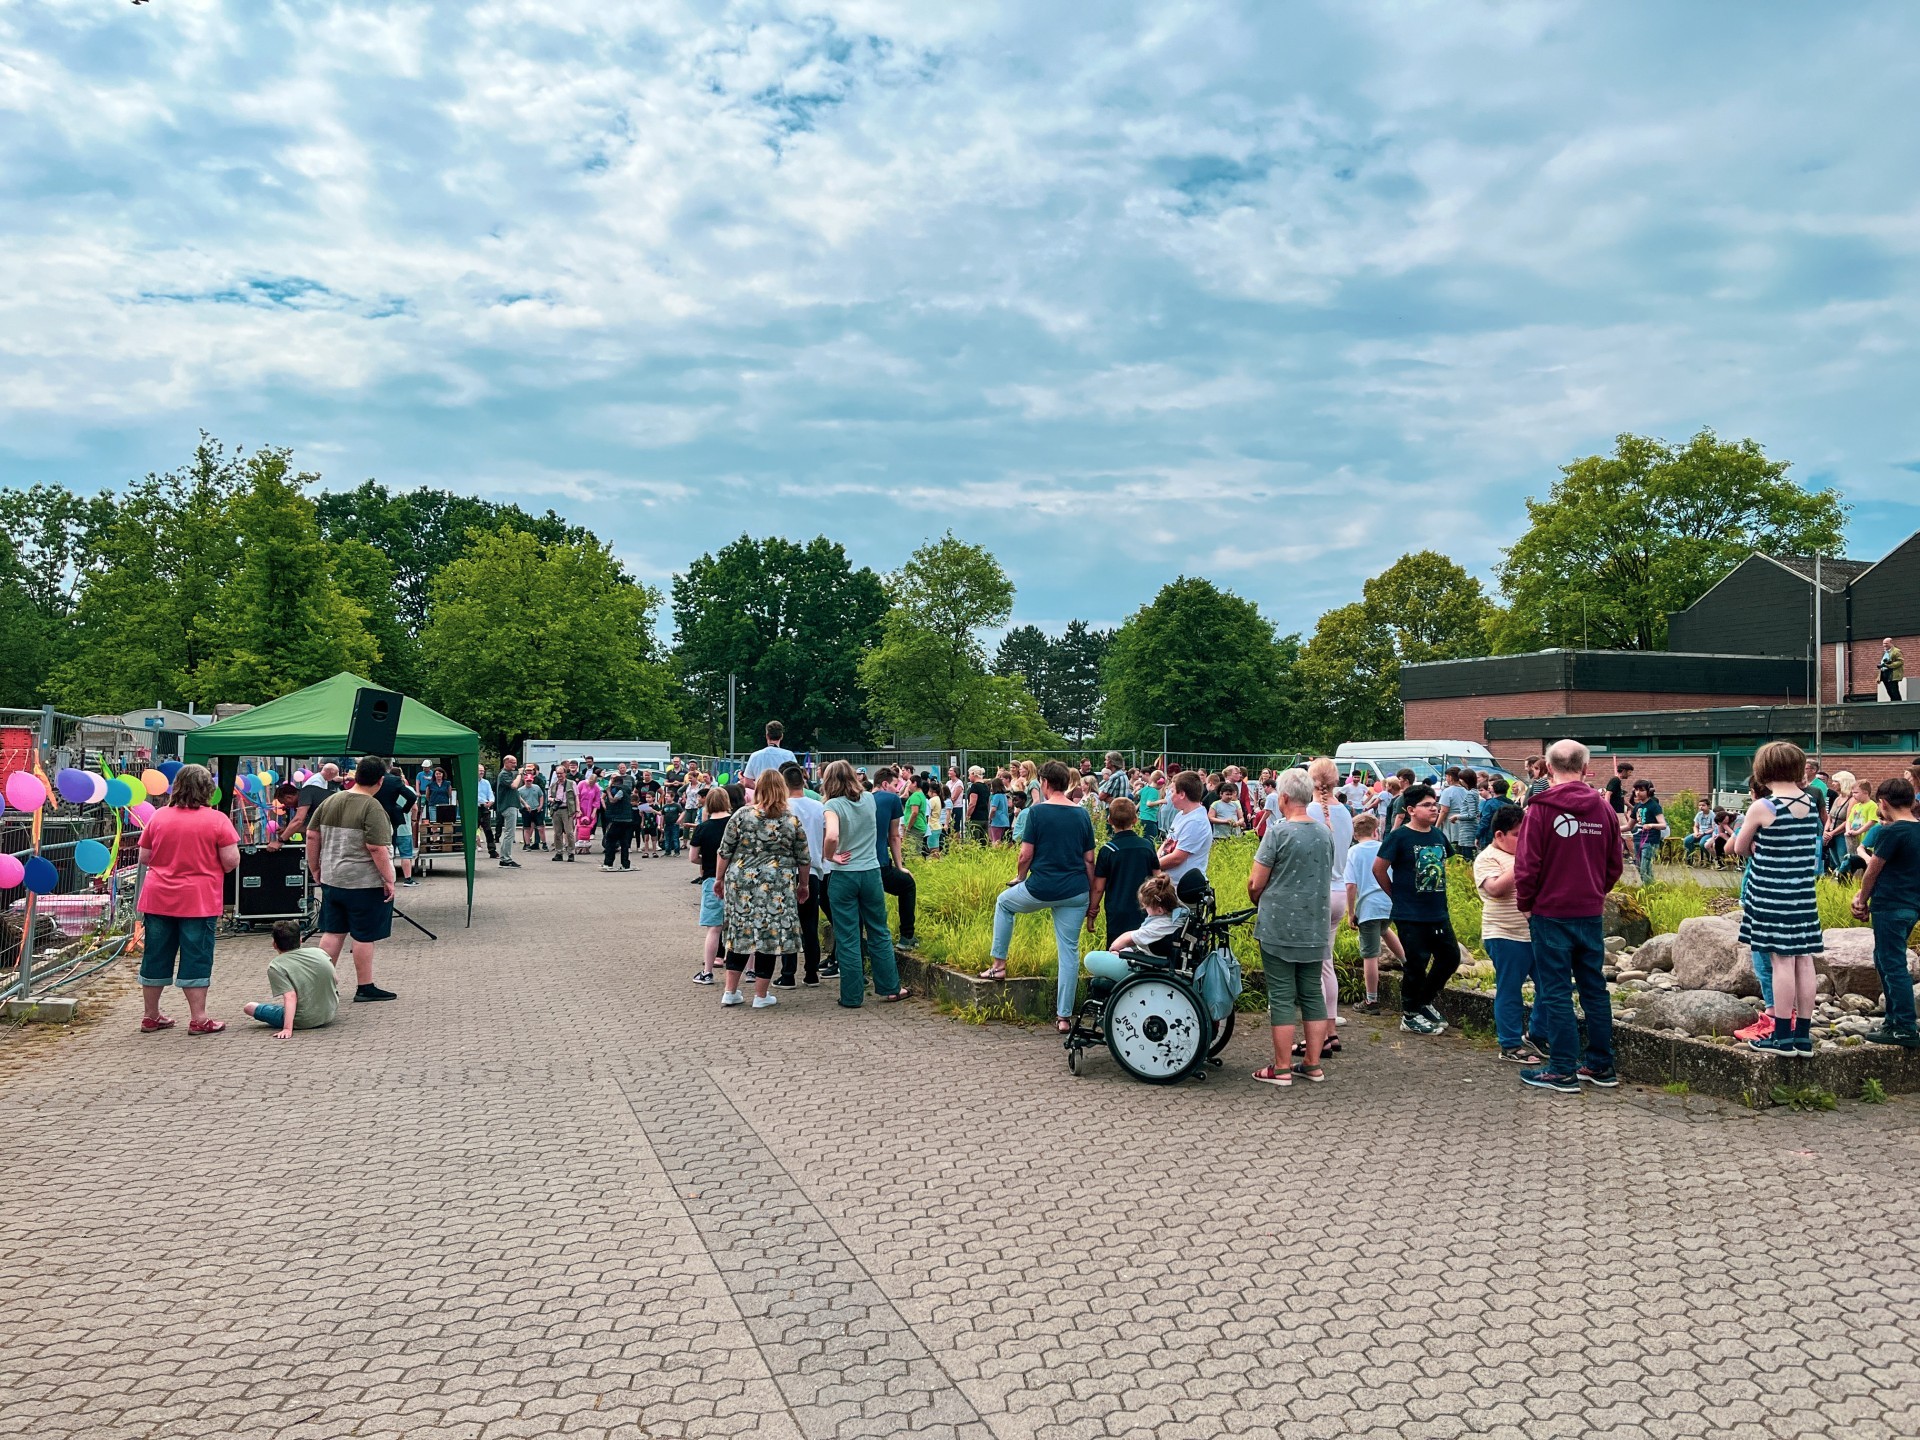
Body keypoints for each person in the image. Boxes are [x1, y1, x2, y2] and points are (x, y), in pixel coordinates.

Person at [1513, 739, 1622, 1092]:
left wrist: (1526, 903)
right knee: (1594, 988)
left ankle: (1561, 1069)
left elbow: (1527, 865)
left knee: (1557, 990)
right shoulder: (1603, 808)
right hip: (1589, 911)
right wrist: (1595, 891)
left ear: (1546, 768)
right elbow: (1614, 863)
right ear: (1587, 769)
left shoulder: (1539, 809)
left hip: (1550, 911)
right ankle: (1600, 1065)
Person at [980, 761, 1094, 1031]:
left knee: (1004, 903)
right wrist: (1090, 895)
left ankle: (998, 965)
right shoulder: (1081, 814)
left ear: (1043, 782)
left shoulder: (1037, 812)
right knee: (1069, 952)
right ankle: (1064, 1017)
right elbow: (1089, 859)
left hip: (1041, 887)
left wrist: (1020, 877)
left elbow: (1025, 854)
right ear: (1067, 783)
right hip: (1076, 890)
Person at [135, 762, 242, 1035]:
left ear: (177, 787)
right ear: (208, 790)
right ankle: (199, 1018)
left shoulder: (158, 817)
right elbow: (230, 862)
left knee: (156, 954)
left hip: (158, 896)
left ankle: (151, 1015)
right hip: (198, 899)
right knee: (196, 956)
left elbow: (144, 858)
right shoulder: (218, 820)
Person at [1737, 742, 1826, 1058]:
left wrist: (1753, 846)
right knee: (1804, 960)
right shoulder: (1810, 802)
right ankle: (1803, 1036)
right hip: (1802, 895)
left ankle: (1782, 1037)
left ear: (1763, 770)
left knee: (1781, 961)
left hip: (1771, 895)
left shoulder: (1764, 807)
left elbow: (1739, 847)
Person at [1248, 768, 1335, 1086]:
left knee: (1283, 995)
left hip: (1279, 925)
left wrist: (1256, 895)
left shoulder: (1278, 832)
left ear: (1282, 798)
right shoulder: (1325, 832)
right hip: (1315, 923)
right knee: (1312, 993)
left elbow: (1257, 882)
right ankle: (1312, 1064)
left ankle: (1281, 1068)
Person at [714, 769, 812, 1010]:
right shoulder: (790, 820)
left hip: (741, 883)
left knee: (740, 934)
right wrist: (804, 885)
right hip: (777, 885)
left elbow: (724, 851)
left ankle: (730, 991)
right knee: (769, 937)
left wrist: (718, 879)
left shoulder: (741, 815)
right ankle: (760, 995)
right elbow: (804, 857)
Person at [306, 756, 399, 1004]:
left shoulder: (331, 800)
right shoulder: (372, 807)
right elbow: (376, 847)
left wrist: (315, 867)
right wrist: (389, 879)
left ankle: (321, 985)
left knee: (333, 932)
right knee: (363, 935)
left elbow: (312, 836)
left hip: (333, 879)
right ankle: (365, 986)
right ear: (380, 780)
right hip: (363, 883)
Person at [820, 760, 908, 1008]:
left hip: (844, 875)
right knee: (879, 930)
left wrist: (830, 856)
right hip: (871, 872)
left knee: (848, 936)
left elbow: (833, 835)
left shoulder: (832, 805)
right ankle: (891, 988)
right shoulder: (870, 799)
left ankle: (851, 996)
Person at [1373, 783, 1459, 1037]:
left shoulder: (1437, 835)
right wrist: (1396, 895)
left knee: (1450, 957)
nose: (1433, 808)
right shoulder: (1399, 837)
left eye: (1434, 804)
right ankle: (1410, 1014)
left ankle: (1424, 1001)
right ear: (1411, 809)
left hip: (1437, 911)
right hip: (1410, 913)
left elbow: (1444, 864)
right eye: (1427, 805)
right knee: (1416, 962)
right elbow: (1378, 869)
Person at [1852, 776, 1920, 1046]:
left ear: (1883, 802)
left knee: (1892, 965)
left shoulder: (1892, 832)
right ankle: (1892, 1020)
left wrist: (1862, 899)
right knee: (1885, 960)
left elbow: (1873, 869)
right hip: (1912, 906)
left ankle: (1904, 1025)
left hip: (1890, 906)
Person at [1475, 805, 1545, 1064]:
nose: (1524, 839)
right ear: (1499, 835)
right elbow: (1494, 889)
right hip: (1504, 934)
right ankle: (1510, 1044)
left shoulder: (1530, 853)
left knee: (1550, 986)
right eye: (1518, 834)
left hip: (1536, 933)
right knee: (1510, 989)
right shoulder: (1487, 858)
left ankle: (1538, 1034)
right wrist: (1522, 864)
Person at [242, 920, 339, 1039]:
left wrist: (287, 1028)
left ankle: (289, 1019)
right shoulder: (319, 952)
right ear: (300, 940)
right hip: (330, 1012)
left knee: (249, 1007)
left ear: (274, 944)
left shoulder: (276, 966)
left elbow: (290, 996)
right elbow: (335, 979)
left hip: (304, 1019)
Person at [777, 762, 827, 987]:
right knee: (810, 924)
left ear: (784, 783)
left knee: (787, 924)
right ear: (803, 781)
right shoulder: (818, 806)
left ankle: (788, 974)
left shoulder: (781, 808)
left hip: (787, 871)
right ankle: (811, 973)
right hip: (814, 870)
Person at [1082, 873, 1182, 984]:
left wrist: (1115, 951)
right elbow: (1134, 935)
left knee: (1090, 959)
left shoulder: (1158, 926)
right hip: (1150, 958)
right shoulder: (1175, 918)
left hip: (1145, 968)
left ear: (1159, 910)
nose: (1145, 910)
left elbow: (1123, 941)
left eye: (1146, 907)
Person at [1086, 797, 1159, 948]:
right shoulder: (1147, 846)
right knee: (1142, 950)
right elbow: (1158, 877)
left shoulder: (1108, 850)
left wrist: (1092, 912)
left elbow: (1098, 887)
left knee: (1116, 950)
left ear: (1109, 820)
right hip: (1145, 909)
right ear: (1135, 819)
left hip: (1117, 910)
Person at [1343, 813, 1396, 1014]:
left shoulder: (1354, 852)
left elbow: (1350, 886)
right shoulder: (1384, 847)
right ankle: (1407, 964)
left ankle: (1371, 1000)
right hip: (1389, 902)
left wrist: (1351, 913)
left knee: (1370, 955)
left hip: (1369, 906)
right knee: (1385, 929)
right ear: (1376, 830)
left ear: (1354, 834)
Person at [687, 786, 732, 986]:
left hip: (711, 879)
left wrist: (707, 863)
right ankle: (750, 971)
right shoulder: (736, 824)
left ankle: (707, 972)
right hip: (736, 879)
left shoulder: (702, 828)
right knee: (741, 927)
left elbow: (693, 857)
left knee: (714, 928)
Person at [870, 767, 917, 949]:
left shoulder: (862, 798)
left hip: (856, 864)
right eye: (895, 785)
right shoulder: (891, 799)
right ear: (884, 784)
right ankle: (907, 937)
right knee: (907, 885)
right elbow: (894, 836)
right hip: (880, 863)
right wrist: (900, 866)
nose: (898, 789)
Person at [1156, 771, 1213, 892]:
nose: (1170, 797)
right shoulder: (1181, 815)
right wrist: (1155, 860)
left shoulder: (1196, 822)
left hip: (1184, 887)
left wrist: (1151, 865)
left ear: (1182, 794)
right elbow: (1168, 842)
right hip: (1170, 884)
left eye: (1172, 792)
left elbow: (1177, 858)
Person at [376, 764, 420, 889]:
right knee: (406, 855)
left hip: (386, 824)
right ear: (400, 776)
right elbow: (415, 808)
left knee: (388, 854)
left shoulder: (380, 786)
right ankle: (408, 879)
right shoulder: (408, 790)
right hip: (404, 826)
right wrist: (412, 817)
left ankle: (388, 878)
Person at [1629, 780, 1667, 885]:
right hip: (1637, 839)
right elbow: (1629, 826)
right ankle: (1651, 888)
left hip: (1650, 840)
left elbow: (1663, 825)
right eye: (1636, 790)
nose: (1638, 793)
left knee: (1644, 867)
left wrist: (1651, 825)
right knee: (1640, 867)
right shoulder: (1637, 806)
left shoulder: (1654, 806)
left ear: (1648, 792)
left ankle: (1648, 889)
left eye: (1641, 790)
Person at [600, 766, 635, 871]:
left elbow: (613, 800)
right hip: (627, 819)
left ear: (615, 782)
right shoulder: (627, 790)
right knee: (624, 843)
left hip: (617, 820)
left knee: (610, 840)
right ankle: (625, 864)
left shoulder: (618, 790)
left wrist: (608, 792)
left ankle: (608, 863)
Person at [494, 753, 521, 867]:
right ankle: (506, 858)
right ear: (506, 762)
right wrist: (520, 774)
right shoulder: (504, 774)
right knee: (510, 833)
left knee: (509, 833)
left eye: (515, 762)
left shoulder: (509, 774)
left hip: (511, 805)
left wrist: (524, 803)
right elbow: (514, 786)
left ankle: (504, 857)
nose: (514, 764)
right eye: (512, 762)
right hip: (508, 806)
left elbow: (515, 792)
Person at [549, 761, 579, 863]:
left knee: (569, 833)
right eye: (557, 774)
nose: (559, 775)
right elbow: (549, 797)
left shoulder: (572, 783)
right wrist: (553, 800)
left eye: (561, 773)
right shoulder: (553, 785)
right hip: (556, 810)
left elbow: (576, 797)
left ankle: (571, 853)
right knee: (557, 833)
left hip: (568, 810)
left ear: (565, 773)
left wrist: (577, 810)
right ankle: (559, 853)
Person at [517, 767, 546, 855]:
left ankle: (544, 843)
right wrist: (523, 807)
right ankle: (527, 844)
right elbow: (518, 799)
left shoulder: (536, 788)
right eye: (527, 781)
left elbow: (541, 796)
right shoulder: (520, 790)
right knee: (527, 828)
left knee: (541, 827)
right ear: (525, 781)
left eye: (530, 781)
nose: (529, 782)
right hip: (527, 810)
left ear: (532, 780)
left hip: (536, 809)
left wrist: (540, 805)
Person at [474, 770, 499, 859]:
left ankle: (492, 851)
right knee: (472, 830)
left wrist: (491, 801)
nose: (481, 772)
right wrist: (484, 801)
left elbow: (490, 793)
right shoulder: (472, 782)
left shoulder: (486, 782)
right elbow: (474, 794)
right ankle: (468, 851)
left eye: (483, 771)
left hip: (484, 808)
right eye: (480, 771)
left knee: (488, 829)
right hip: (475, 807)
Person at [1683, 796, 1714, 863]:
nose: (1701, 807)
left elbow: (1713, 828)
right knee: (1687, 840)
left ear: (1708, 806)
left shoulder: (1712, 815)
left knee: (1702, 843)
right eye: (1699, 805)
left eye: (1703, 805)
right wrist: (1696, 833)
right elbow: (1696, 826)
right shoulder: (1699, 814)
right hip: (1699, 832)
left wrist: (1704, 833)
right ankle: (1689, 859)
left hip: (1708, 833)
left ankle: (1709, 859)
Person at [966, 766, 992, 845]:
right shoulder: (985, 786)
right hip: (984, 817)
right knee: (984, 842)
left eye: (969, 774)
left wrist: (967, 816)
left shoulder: (975, 786)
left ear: (973, 774)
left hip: (976, 818)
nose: (968, 777)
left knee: (974, 841)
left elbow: (972, 804)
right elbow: (988, 802)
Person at [576, 768, 602, 847]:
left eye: (593, 783)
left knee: (587, 826)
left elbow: (597, 800)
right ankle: (576, 843)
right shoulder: (581, 784)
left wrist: (594, 812)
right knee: (578, 825)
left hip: (590, 808)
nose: (591, 784)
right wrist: (578, 809)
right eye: (590, 782)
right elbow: (577, 796)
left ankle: (586, 845)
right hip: (580, 806)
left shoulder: (596, 787)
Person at [1137, 771, 1164, 841]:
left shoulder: (1146, 788)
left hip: (1142, 817)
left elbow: (1137, 793)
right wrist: (1161, 801)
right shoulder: (1154, 791)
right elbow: (1149, 804)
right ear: (1160, 782)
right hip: (1149, 819)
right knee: (1152, 839)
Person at [1880, 637, 1906, 702]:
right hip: (1884, 673)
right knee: (1889, 690)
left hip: (1892, 673)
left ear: (1891, 643)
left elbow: (1900, 662)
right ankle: (1893, 704)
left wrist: (1889, 666)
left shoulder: (1896, 651)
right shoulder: (1885, 652)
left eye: (1886, 643)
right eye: (1883, 643)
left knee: (1894, 690)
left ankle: (1898, 705)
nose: (1884, 645)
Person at [988, 778, 1010, 845]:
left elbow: (993, 809)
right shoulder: (1003, 795)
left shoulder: (996, 796)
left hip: (997, 820)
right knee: (1000, 840)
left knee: (995, 841)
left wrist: (990, 817)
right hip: (1004, 820)